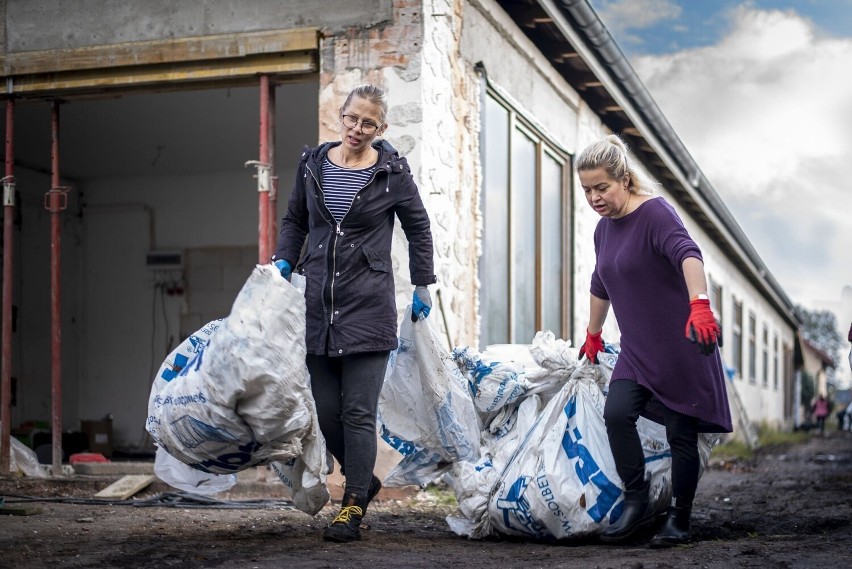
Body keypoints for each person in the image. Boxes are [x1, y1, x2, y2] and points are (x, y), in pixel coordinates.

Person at [271, 84, 436, 542]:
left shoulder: (391, 172)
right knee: (327, 413)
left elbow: (418, 228)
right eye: (351, 119)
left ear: (380, 128)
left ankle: (352, 505)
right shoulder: (313, 165)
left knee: (358, 412)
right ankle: (365, 482)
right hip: (318, 307)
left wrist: (423, 282)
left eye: (368, 123)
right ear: (339, 116)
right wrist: (285, 258)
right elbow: (295, 221)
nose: (357, 129)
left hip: (368, 305)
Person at [575, 135, 733, 548]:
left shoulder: (656, 213)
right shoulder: (603, 230)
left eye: (601, 187)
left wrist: (700, 306)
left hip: (681, 345)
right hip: (637, 349)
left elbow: (688, 254)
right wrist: (593, 334)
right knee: (617, 412)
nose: (594, 197)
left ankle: (679, 519)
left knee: (681, 433)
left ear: (624, 180)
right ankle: (636, 498)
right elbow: (600, 282)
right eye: (587, 189)